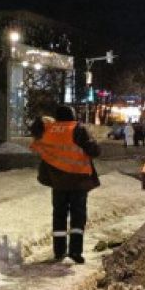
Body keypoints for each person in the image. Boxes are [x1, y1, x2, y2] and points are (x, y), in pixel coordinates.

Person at [30, 105, 101, 264]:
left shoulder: (48, 130)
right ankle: (75, 251)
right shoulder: (78, 129)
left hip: (58, 182)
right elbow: (94, 151)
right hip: (78, 181)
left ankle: (59, 251)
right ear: (73, 116)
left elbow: (37, 134)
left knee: (59, 215)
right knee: (78, 216)